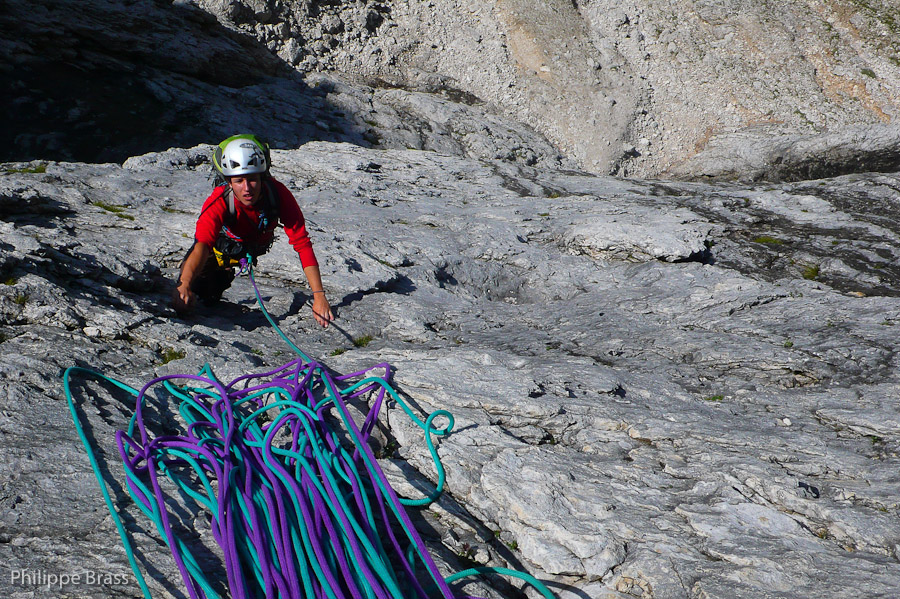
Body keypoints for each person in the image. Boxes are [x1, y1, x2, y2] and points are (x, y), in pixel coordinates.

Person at [173, 135, 334, 328]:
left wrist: (319, 296)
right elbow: (202, 245)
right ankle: (218, 276)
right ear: (229, 182)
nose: (247, 188)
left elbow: (302, 243)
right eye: (239, 181)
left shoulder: (278, 194)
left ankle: (221, 275)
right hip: (219, 249)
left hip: (247, 247)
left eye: (252, 180)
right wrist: (184, 283)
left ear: (262, 178)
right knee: (198, 295)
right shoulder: (219, 201)